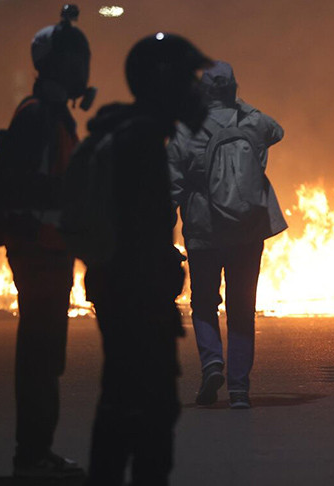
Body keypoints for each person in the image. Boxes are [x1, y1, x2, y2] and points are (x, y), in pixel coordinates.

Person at [79, 33, 211, 486]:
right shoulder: (139, 144)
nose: (196, 90)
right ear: (164, 82)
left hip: (126, 296)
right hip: (136, 302)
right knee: (145, 418)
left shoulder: (135, 133)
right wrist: (155, 292)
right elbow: (139, 233)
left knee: (121, 407)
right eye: (188, 79)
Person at [1, 4, 94, 479]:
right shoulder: (38, 117)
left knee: (46, 354)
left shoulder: (52, 114)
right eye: (75, 61)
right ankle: (32, 452)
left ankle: (38, 448)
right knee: (39, 355)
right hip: (39, 251)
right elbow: (33, 186)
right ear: (56, 66)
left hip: (50, 250)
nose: (82, 70)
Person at [167, 60, 286, 409]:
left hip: (204, 230)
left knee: (204, 303)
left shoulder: (185, 131)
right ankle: (239, 390)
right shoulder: (252, 122)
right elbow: (277, 130)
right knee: (242, 308)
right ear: (233, 90)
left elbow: (170, 186)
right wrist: (239, 104)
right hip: (248, 231)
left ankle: (212, 363)